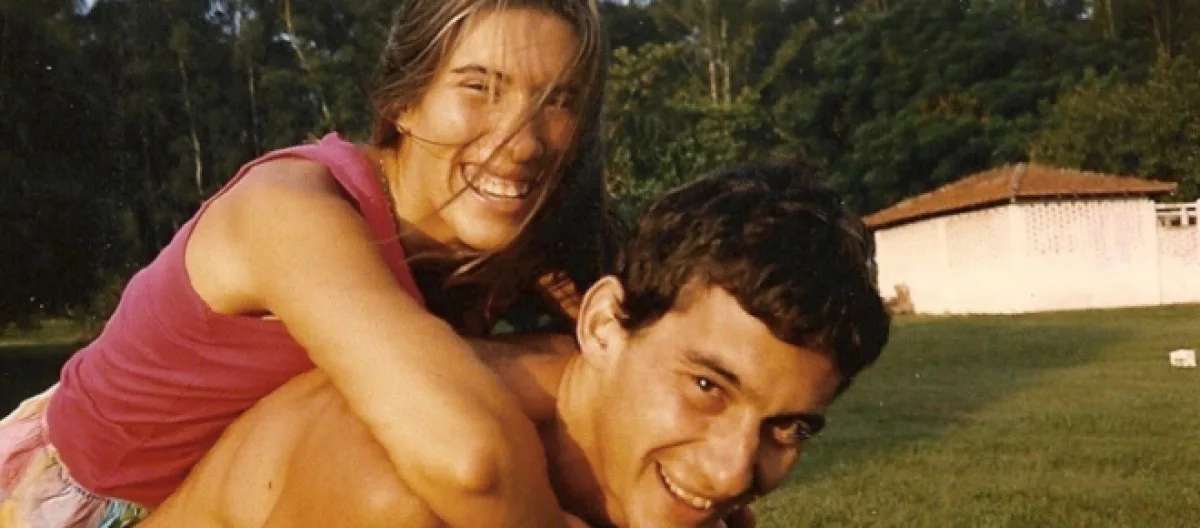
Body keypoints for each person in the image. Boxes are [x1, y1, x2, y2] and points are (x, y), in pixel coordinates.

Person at [0, 1, 618, 526]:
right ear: (404, 101)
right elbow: (469, 456)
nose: (524, 141)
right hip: (81, 507)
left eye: (558, 101)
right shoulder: (290, 210)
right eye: (479, 87)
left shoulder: (507, 252)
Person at [140, 161, 893, 527]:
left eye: (788, 428)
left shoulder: (652, 475)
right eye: (706, 387)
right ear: (602, 325)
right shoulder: (396, 494)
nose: (731, 472)